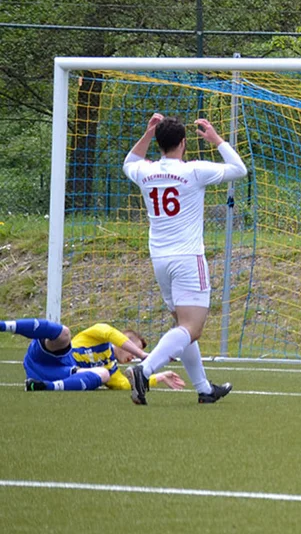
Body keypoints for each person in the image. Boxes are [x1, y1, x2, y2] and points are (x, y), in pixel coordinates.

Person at [121, 113, 247, 405]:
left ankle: (204, 389)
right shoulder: (193, 170)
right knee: (192, 328)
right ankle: (144, 369)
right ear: (183, 143)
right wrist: (216, 139)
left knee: (183, 325)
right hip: (188, 259)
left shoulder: (145, 171)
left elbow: (128, 161)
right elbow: (239, 169)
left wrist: (147, 133)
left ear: (160, 143)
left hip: (160, 259)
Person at [1, 318, 184, 392]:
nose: (133, 357)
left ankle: (44, 387)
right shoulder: (98, 337)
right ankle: (4, 325)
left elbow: (126, 384)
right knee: (64, 333)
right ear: (124, 340)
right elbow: (108, 331)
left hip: (59, 375)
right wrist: (143, 354)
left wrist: (159, 376)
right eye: (131, 350)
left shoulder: (111, 368)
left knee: (103, 375)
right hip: (46, 356)